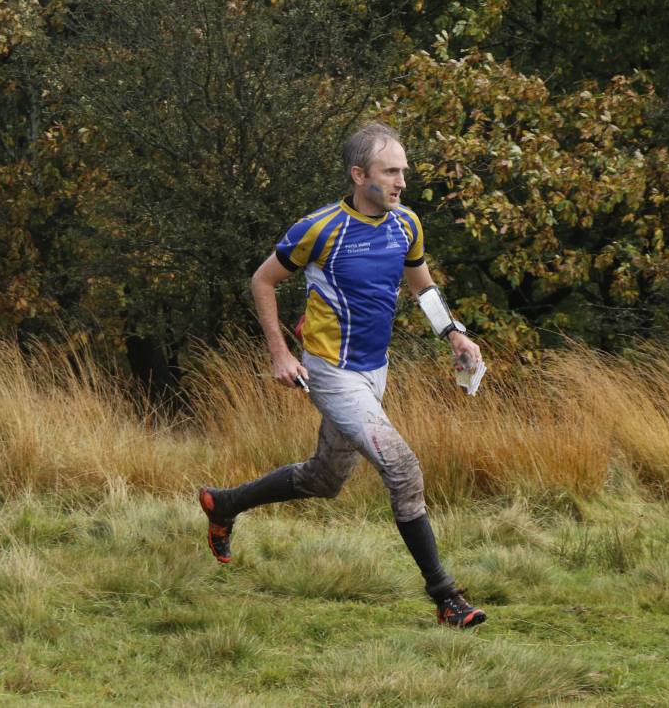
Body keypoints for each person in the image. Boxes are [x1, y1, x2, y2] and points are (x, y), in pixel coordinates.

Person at [198, 123, 487, 629]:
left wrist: (454, 334)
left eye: (403, 171)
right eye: (390, 172)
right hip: (331, 374)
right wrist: (280, 355)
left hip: (376, 372)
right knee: (403, 469)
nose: (401, 182)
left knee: (324, 479)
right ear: (358, 175)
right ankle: (446, 598)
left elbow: (422, 287)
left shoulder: (406, 224)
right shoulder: (320, 228)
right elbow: (262, 281)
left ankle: (223, 504)